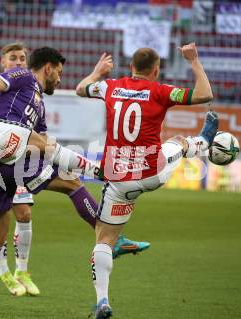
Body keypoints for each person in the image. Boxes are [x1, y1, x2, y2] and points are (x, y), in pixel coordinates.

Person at [0, 22, 104, 319]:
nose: (19, 63)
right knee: (56, 163)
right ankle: (101, 185)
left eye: (22, 59)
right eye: (14, 59)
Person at [0, 46, 150, 319]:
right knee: (72, 183)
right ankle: (110, 238)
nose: (60, 80)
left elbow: (45, 147)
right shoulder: (23, 76)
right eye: (59, 73)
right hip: (6, 147)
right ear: (49, 67)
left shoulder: (39, 106)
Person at [76, 43, 217, 318]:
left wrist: (96, 72)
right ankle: (202, 142)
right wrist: (194, 61)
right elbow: (205, 94)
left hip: (118, 181)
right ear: (156, 70)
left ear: (131, 67)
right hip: (152, 173)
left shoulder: (110, 86)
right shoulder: (161, 91)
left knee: (103, 239)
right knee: (177, 142)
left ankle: (103, 301)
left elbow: (81, 89)